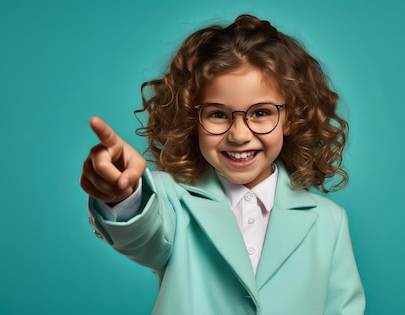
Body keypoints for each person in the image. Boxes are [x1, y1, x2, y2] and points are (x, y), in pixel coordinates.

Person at [80, 14, 365, 314]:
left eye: (261, 113)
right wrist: (122, 195)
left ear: (291, 117)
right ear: (193, 119)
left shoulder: (329, 221)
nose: (239, 135)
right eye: (217, 114)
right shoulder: (170, 200)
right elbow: (143, 234)